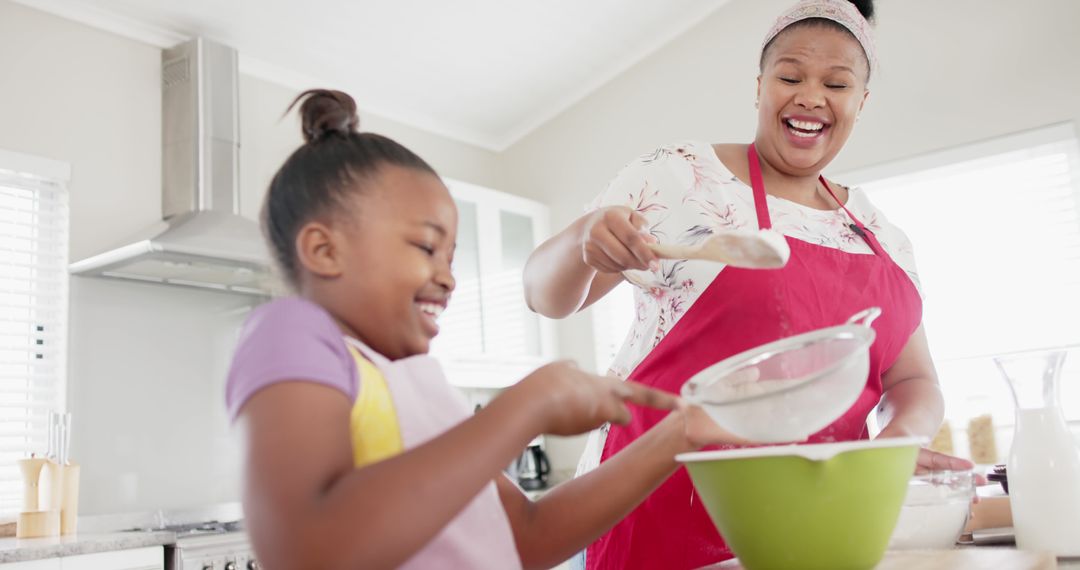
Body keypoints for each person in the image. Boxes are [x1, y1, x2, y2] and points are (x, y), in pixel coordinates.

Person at [523, 1, 975, 568]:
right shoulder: (680, 175)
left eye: (836, 83)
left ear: (861, 102)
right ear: (759, 86)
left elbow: (913, 379)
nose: (810, 95)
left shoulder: (882, 234)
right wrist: (582, 240)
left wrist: (897, 442)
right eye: (790, 76)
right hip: (661, 513)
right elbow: (546, 298)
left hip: (818, 522)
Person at [225, 89, 742, 570]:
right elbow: (305, 546)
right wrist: (525, 407)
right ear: (324, 250)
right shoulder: (293, 331)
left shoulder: (421, 386)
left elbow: (525, 534)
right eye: (426, 248)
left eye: (452, 257)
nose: (449, 278)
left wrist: (682, 432)